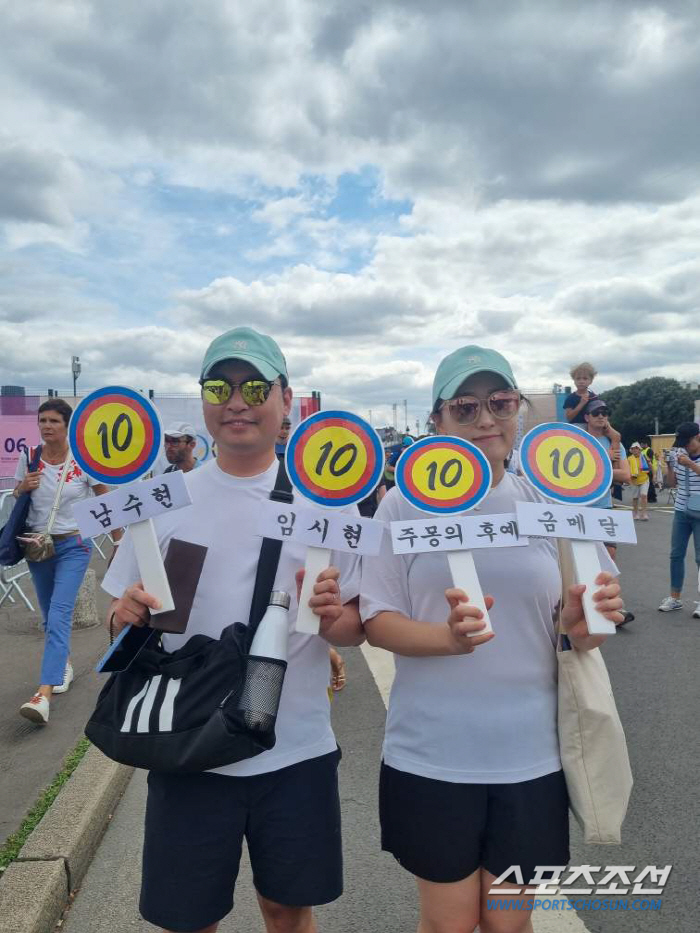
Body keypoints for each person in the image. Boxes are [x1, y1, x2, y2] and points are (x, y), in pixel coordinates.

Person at [103, 326, 363, 933]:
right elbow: (120, 617)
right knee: (188, 917)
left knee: (287, 907)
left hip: (294, 745)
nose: (236, 400)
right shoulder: (162, 499)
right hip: (186, 746)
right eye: (219, 385)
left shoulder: (328, 504)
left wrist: (331, 619)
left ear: (286, 397)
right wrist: (127, 616)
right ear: (202, 399)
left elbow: (355, 626)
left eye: (254, 386)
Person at [361, 345, 622, 933]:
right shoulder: (401, 508)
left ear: (519, 411)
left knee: (508, 924)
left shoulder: (554, 505)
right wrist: (445, 639)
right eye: (465, 406)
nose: (485, 419)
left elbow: (583, 632)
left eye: (501, 402)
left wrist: (585, 628)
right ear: (437, 422)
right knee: (449, 924)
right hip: (430, 755)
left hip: (531, 757)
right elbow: (376, 620)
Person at [13, 398, 114, 724]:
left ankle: (42, 693)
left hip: (74, 544)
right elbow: (17, 495)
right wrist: (21, 488)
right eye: (42, 420)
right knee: (47, 613)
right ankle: (63, 666)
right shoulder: (29, 457)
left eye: (54, 421)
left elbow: (105, 497)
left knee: (59, 612)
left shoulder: (83, 461)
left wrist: (119, 540)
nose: (46, 426)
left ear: (67, 426)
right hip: (38, 546)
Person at [582, 399, 634, 625]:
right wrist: (606, 466)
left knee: (609, 558)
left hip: (604, 506)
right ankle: (585, 606)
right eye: (596, 413)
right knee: (580, 559)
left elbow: (626, 476)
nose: (601, 417)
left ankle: (613, 610)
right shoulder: (579, 439)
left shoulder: (614, 444)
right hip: (579, 507)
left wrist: (596, 467)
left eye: (605, 412)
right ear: (587, 417)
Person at [658, 422, 700, 618]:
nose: (684, 447)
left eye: (687, 442)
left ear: (698, 438)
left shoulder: (689, 459)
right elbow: (671, 484)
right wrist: (670, 466)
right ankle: (675, 597)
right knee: (676, 554)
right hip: (681, 511)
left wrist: (690, 464)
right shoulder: (678, 455)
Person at [627, 442, 650, 520]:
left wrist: (654, 476)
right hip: (634, 481)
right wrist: (628, 480)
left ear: (639, 450)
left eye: (637, 448)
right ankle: (635, 513)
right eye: (633, 449)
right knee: (635, 498)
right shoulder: (629, 459)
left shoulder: (644, 457)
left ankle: (644, 514)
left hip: (644, 479)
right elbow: (627, 470)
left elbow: (650, 467)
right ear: (632, 450)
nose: (635, 450)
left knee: (644, 495)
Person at [640, 437, 659, 504]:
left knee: (650, 484)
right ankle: (647, 497)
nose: (641, 446)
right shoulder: (642, 451)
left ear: (646, 444)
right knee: (646, 484)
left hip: (651, 469)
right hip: (644, 469)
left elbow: (650, 460)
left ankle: (652, 498)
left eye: (642, 444)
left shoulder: (649, 450)